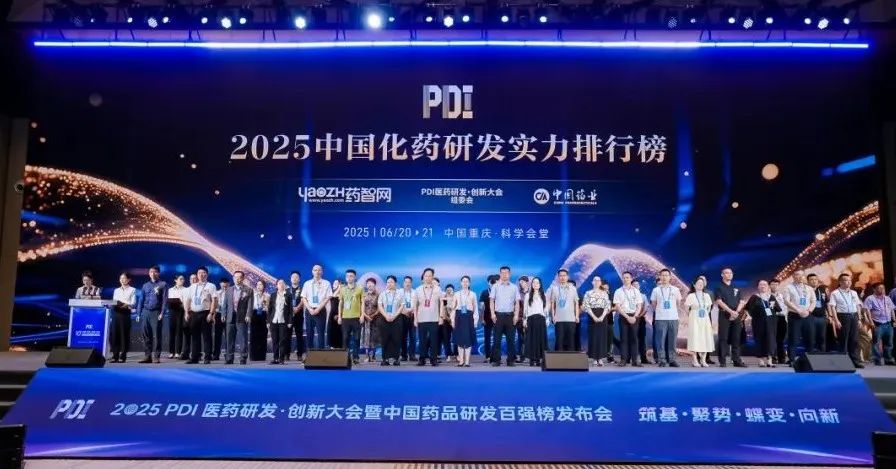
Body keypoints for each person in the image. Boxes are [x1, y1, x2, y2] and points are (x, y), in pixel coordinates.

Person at [827, 273, 866, 368]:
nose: (848, 282)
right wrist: (836, 320)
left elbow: (857, 305)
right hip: (843, 316)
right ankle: (843, 362)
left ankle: (855, 361)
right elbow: (832, 307)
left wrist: (859, 318)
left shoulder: (854, 293)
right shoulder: (835, 293)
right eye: (845, 280)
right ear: (840, 282)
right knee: (843, 339)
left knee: (854, 339)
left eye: (849, 280)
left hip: (854, 316)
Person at [714, 267, 746, 368]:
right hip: (724, 315)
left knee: (736, 338)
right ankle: (722, 361)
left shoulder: (736, 287)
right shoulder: (719, 287)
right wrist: (731, 312)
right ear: (722, 275)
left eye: (731, 273)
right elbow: (719, 301)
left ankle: (736, 360)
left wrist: (736, 312)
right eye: (727, 273)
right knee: (723, 338)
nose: (729, 275)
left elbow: (742, 301)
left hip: (736, 315)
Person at [184, 266, 218, 365]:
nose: (201, 275)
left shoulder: (211, 286)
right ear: (197, 275)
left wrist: (211, 313)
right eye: (199, 273)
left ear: (207, 274)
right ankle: (195, 357)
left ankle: (207, 357)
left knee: (207, 336)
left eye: (203, 273)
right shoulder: (192, 286)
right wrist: (186, 312)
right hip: (194, 313)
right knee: (195, 337)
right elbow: (188, 300)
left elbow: (214, 300)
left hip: (205, 313)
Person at [782, 270, 815, 366]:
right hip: (794, 315)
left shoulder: (809, 288)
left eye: (802, 275)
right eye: (797, 275)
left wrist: (809, 311)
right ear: (793, 276)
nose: (800, 277)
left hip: (808, 315)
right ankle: (792, 359)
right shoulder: (788, 287)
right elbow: (787, 301)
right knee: (793, 338)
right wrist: (798, 310)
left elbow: (813, 301)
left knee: (810, 338)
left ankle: (810, 359)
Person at [650, 269, 682, 367]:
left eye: (666, 275)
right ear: (659, 277)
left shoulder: (675, 289)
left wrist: (672, 311)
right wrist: (661, 311)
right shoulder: (656, 290)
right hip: (660, 318)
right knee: (660, 340)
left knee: (672, 340)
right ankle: (662, 360)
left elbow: (678, 303)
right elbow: (654, 304)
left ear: (670, 277)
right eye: (662, 275)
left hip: (673, 318)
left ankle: (672, 360)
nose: (664, 277)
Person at [746, 280, 781, 367]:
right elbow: (747, 308)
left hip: (771, 322)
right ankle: (761, 360)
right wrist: (750, 316)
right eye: (761, 284)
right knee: (759, 339)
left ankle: (769, 360)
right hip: (758, 322)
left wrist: (774, 305)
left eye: (764, 284)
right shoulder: (754, 297)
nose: (763, 286)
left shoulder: (771, 297)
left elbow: (778, 309)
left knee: (771, 340)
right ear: (758, 287)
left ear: (768, 287)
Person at [137, 265, 167, 364]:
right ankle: (147, 356)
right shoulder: (145, 285)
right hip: (146, 312)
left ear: (158, 273)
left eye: (155, 272)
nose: (152, 274)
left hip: (156, 312)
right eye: (151, 272)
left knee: (157, 335)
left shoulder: (163, 284)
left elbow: (164, 300)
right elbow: (141, 299)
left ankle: (156, 356)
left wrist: (162, 313)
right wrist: (138, 313)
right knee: (146, 335)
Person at [490, 266, 520, 366]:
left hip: (510, 316)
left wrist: (516, 315)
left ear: (509, 274)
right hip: (498, 316)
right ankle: (496, 360)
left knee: (511, 340)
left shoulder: (514, 287)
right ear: (500, 274)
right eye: (502, 273)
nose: (504, 275)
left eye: (506, 273)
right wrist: (492, 314)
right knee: (496, 339)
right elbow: (491, 301)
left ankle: (511, 360)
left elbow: (517, 302)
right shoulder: (495, 286)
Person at [613, 272, 643, 366]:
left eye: (627, 277)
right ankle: (623, 360)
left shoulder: (636, 291)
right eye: (624, 278)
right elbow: (617, 306)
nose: (625, 279)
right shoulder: (618, 291)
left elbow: (639, 305)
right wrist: (627, 317)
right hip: (623, 316)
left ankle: (635, 361)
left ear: (631, 278)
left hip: (634, 316)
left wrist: (635, 316)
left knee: (634, 339)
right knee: (624, 339)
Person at [415, 268, 442, 366]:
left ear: (432, 277)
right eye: (426, 276)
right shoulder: (418, 289)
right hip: (421, 319)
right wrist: (415, 318)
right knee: (422, 340)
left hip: (434, 318)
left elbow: (441, 304)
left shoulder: (438, 289)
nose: (428, 277)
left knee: (434, 340)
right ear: (423, 277)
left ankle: (433, 359)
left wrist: (441, 317)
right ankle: (422, 359)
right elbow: (415, 306)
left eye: (430, 276)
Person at [685, 276, 715, 367]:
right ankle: (695, 360)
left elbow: (709, 308)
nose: (700, 285)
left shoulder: (707, 295)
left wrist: (704, 313)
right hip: (694, 319)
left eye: (702, 284)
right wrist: (692, 315)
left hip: (705, 319)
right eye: (698, 283)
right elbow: (686, 308)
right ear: (694, 285)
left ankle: (703, 360)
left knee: (705, 337)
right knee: (695, 338)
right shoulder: (691, 296)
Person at [863, 282, 895, 366]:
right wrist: (871, 322)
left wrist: (894, 320)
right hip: (877, 323)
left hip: (888, 323)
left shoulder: (887, 298)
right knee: (876, 342)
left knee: (889, 343)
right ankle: (877, 359)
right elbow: (867, 311)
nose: (882, 290)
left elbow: (892, 309)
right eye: (879, 288)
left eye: (883, 288)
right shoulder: (870, 298)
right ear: (874, 289)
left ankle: (888, 359)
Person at [224, 270, 253, 365]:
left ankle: (243, 358)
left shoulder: (248, 290)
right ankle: (229, 358)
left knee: (243, 339)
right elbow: (225, 303)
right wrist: (223, 314)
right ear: (233, 278)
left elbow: (250, 304)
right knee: (229, 339)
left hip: (242, 316)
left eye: (239, 277)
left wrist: (248, 315)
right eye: (235, 277)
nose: (237, 279)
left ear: (243, 278)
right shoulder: (229, 289)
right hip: (230, 316)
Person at [301, 265, 332, 350]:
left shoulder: (326, 283)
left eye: (319, 270)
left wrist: (318, 309)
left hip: (321, 311)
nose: (317, 272)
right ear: (312, 272)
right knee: (309, 334)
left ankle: (321, 355)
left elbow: (327, 298)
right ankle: (309, 354)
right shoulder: (307, 283)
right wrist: (310, 309)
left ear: (322, 272)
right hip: (309, 311)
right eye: (315, 270)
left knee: (321, 334)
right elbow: (303, 298)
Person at [451, 276, 478, 367]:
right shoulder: (456, 294)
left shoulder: (473, 294)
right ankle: (461, 361)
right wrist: (452, 320)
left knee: (468, 340)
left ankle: (467, 362)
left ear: (469, 283)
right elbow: (453, 308)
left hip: (469, 317)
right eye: (463, 281)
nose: (465, 283)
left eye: (467, 281)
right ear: (461, 283)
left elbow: (475, 308)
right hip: (458, 317)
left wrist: (475, 321)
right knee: (459, 340)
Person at [582, 276, 610, 367]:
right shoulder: (588, 293)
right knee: (593, 336)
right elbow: (586, 306)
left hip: (603, 316)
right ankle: (594, 358)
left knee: (601, 337)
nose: (597, 282)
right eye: (595, 280)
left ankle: (600, 358)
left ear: (600, 282)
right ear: (592, 282)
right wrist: (594, 316)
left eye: (598, 280)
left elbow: (607, 306)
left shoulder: (604, 293)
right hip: (592, 316)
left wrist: (602, 316)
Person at [110, 272, 137, 363]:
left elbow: (133, 303)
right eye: (121, 278)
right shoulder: (116, 290)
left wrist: (125, 305)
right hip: (116, 313)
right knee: (115, 335)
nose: (122, 280)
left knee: (124, 335)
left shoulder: (132, 289)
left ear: (129, 280)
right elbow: (114, 301)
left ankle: (123, 355)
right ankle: (115, 355)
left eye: (124, 278)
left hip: (125, 314)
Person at [338, 270, 363, 364]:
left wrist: (362, 315)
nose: (349, 278)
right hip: (345, 317)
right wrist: (339, 316)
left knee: (356, 338)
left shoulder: (360, 288)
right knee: (345, 338)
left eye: (351, 276)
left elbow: (362, 302)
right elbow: (341, 303)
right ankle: (345, 357)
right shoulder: (342, 289)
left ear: (355, 277)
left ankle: (356, 357)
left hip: (356, 317)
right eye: (347, 276)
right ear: (345, 278)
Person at [550, 269, 579, 352]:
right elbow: (552, 304)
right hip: (559, 319)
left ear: (567, 277)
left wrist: (577, 316)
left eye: (564, 275)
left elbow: (576, 303)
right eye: (560, 276)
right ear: (558, 277)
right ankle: (559, 358)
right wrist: (553, 316)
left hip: (571, 318)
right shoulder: (555, 289)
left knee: (571, 341)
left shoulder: (573, 288)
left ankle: (571, 358)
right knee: (559, 340)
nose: (562, 277)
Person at [378, 275, 404, 366]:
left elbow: (401, 306)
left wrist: (394, 316)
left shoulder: (400, 294)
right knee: (385, 339)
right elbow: (380, 306)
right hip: (384, 319)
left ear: (395, 283)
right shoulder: (382, 294)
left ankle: (396, 359)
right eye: (388, 282)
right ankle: (385, 359)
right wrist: (386, 316)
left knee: (396, 339)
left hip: (396, 319)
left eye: (391, 282)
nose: (389, 284)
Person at [267, 279, 292, 365]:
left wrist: (290, 321)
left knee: (282, 340)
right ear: (276, 285)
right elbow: (270, 309)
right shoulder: (273, 295)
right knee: (275, 340)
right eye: (279, 283)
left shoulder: (288, 295)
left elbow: (290, 310)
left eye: (283, 283)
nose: (281, 285)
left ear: (285, 285)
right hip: (273, 320)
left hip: (283, 321)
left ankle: (281, 359)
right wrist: (268, 321)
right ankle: (275, 358)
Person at [165, 275, 188, 359]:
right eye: (180, 279)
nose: (182, 280)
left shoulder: (186, 289)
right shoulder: (170, 290)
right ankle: (171, 352)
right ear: (175, 280)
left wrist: (182, 303)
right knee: (172, 332)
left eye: (183, 279)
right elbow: (167, 300)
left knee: (179, 332)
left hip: (181, 311)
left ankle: (178, 352)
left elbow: (187, 300)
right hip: (172, 311)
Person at [807, 273, 829, 353]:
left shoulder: (822, 290)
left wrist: (829, 315)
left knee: (822, 338)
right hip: (811, 317)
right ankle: (811, 355)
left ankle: (822, 355)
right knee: (811, 338)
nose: (814, 281)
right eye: (811, 280)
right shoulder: (805, 291)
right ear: (808, 281)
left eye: (815, 279)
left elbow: (826, 303)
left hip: (822, 317)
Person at [361, 278, 381, 363]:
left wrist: (373, 315)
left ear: (374, 285)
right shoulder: (364, 294)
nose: (369, 285)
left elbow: (379, 308)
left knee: (374, 337)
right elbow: (361, 306)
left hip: (375, 318)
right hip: (366, 319)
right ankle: (366, 355)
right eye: (368, 283)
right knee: (366, 336)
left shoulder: (378, 295)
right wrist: (365, 315)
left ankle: (373, 355)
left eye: (371, 283)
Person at [287, 271, 305, 362]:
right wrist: (291, 309)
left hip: (299, 316)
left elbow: (304, 300)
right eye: (293, 277)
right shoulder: (287, 290)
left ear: (299, 279)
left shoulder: (303, 290)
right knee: (287, 335)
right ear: (290, 279)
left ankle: (300, 355)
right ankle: (286, 354)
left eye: (296, 277)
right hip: (289, 317)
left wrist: (297, 308)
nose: (294, 278)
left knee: (299, 336)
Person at [249, 280, 270, 362]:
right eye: (257, 284)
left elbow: (269, 309)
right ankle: (253, 356)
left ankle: (261, 356)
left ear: (264, 286)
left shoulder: (267, 296)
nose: (259, 286)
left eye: (260, 284)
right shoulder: (252, 295)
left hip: (264, 315)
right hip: (254, 314)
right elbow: (250, 306)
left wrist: (266, 305)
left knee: (263, 336)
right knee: (253, 336)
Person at [769, 279, 789, 365]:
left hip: (782, 318)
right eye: (772, 284)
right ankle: (773, 357)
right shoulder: (767, 296)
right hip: (772, 318)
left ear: (779, 286)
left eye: (776, 284)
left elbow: (787, 307)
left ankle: (782, 358)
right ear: (769, 286)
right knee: (772, 339)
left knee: (781, 339)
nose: (774, 286)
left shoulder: (783, 296)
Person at [480, 274, 498, 362]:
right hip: (487, 318)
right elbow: (481, 307)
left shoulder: (499, 292)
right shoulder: (484, 292)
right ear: (488, 283)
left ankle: (495, 356)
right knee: (487, 338)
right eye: (491, 282)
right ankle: (487, 356)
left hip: (497, 318)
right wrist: (482, 319)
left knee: (496, 337)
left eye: (495, 282)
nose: (493, 284)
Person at [212, 277, 231, 361]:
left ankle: (228, 354)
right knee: (217, 336)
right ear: (220, 284)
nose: (224, 287)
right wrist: (213, 315)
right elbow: (214, 305)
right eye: (223, 286)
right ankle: (216, 354)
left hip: (228, 315)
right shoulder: (216, 293)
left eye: (226, 286)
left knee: (228, 336)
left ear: (229, 285)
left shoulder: (231, 293)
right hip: (218, 315)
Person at [399, 276, 417, 362]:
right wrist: (404, 311)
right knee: (403, 336)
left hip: (412, 315)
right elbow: (397, 303)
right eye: (406, 282)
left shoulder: (415, 292)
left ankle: (412, 355)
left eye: (409, 282)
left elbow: (417, 304)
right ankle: (404, 355)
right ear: (403, 283)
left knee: (413, 336)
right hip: (402, 315)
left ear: (411, 283)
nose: (407, 284)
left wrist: (411, 310)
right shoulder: (399, 292)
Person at [634, 279, 651, 364]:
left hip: (641, 320)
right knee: (632, 339)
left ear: (639, 286)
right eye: (634, 285)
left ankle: (644, 358)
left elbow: (646, 307)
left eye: (637, 285)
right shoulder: (628, 296)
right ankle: (630, 358)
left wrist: (639, 316)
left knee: (642, 339)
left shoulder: (643, 296)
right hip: (631, 319)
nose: (635, 286)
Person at [439, 284, 456, 362]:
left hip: (455, 321)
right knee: (446, 338)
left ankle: (456, 354)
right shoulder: (444, 299)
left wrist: (452, 319)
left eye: (450, 290)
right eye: (447, 290)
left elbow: (456, 309)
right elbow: (442, 310)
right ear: (445, 291)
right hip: (446, 320)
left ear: (453, 291)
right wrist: (447, 318)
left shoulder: (456, 298)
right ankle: (448, 355)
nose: (449, 292)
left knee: (456, 338)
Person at [515, 276, 530, 362]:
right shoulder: (518, 293)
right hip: (520, 318)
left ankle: (532, 357)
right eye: (520, 283)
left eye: (522, 282)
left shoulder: (532, 293)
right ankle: (522, 356)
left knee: (530, 337)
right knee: (521, 338)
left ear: (527, 282)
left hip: (530, 318)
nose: (521, 284)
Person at [328, 279, 343, 349]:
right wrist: (338, 289)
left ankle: (340, 347)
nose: (334, 285)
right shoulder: (332, 293)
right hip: (332, 316)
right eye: (334, 284)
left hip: (341, 315)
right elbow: (333, 296)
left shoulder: (343, 294)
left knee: (339, 332)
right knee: (332, 331)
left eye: (336, 284)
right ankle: (332, 347)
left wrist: (340, 315)